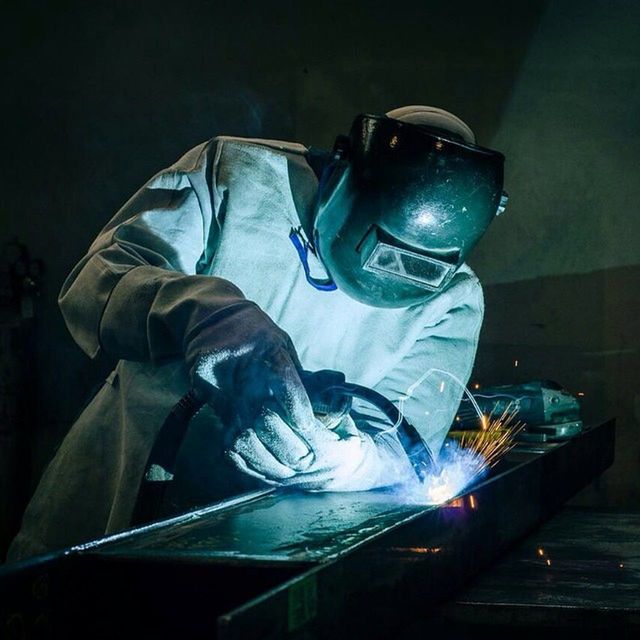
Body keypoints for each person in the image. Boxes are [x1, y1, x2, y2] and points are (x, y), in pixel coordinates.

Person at [8, 106, 505, 560]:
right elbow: (93, 284)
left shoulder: (452, 302)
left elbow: (404, 456)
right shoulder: (236, 175)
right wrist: (201, 313)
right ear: (344, 175)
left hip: (268, 555)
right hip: (114, 503)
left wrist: (337, 461)